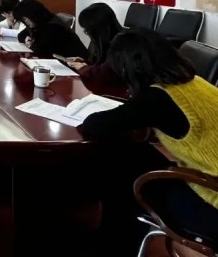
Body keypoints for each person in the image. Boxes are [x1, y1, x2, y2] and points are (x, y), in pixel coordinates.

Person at [80, 29, 218, 247]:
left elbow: (94, 125)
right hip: (208, 177)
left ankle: (114, 240)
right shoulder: (195, 82)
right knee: (135, 154)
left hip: (212, 203)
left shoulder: (157, 98)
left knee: (119, 166)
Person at [66, 3, 124, 90]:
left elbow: (104, 74)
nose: (88, 34)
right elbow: (100, 64)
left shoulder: (122, 46)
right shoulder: (104, 41)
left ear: (98, 30)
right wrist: (85, 62)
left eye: (88, 31)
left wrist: (83, 68)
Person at [13, 0, 89, 59]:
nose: (26, 22)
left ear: (33, 14)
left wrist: (31, 45)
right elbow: (21, 35)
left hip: (77, 64)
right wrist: (26, 39)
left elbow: (40, 50)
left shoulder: (53, 27)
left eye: (25, 19)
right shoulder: (39, 22)